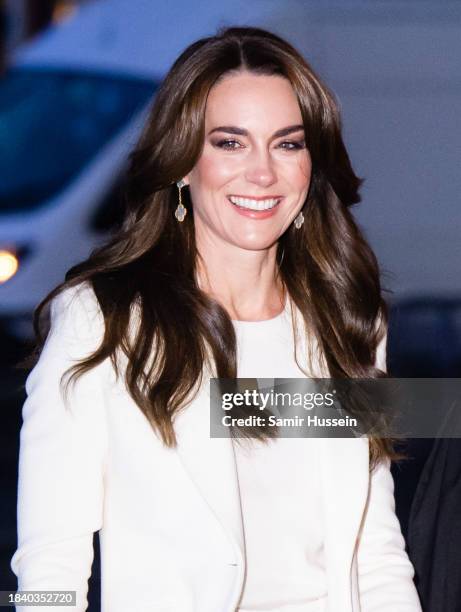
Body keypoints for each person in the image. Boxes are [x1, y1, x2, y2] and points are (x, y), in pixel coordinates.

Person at [11, 26, 422, 612]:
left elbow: (373, 549)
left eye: (287, 144)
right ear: (181, 162)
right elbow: (50, 565)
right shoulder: (104, 321)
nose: (262, 173)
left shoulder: (345, 319)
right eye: (230, 143)